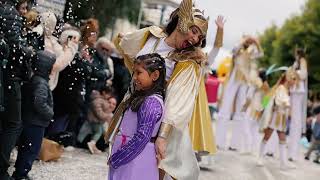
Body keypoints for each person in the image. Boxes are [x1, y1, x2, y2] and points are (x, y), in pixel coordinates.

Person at [107, 0, 223, 179]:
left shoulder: (188, 63)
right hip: (131, 109)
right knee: (120, 166)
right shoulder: (153, 35)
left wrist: (162, 137)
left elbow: (177, 101)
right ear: (182, 21)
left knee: (149, 170)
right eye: (194, 31)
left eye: (199, 37)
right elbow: (129, 51)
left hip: (157, 123)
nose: (195, 39)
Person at [108, 53, 166, 180]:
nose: (134, 77)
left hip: (137, 160)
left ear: (155, 75)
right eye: (134, 73)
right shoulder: (142, 97)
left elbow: (142, 136)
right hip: (130, 159)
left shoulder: (151, 102)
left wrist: (118, 158)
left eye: (139, 73)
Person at [0, 0, 33, 179]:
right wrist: (29, 51)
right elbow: (16, 49)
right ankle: (2, 169)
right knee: (13, 123)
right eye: (24, 7)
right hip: (10, 76)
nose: (25, 11)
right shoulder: (10, 13)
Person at [12, 50, 56, 180]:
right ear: (46, 67)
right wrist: (50, 113)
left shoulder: (34, 79)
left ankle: (20, 172)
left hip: (30, 120)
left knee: (25, 148)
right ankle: (21, 173)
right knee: (31, 149)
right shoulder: (41, 83)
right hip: (35, 122)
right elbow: (39, 102)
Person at [258, 68, 299, 170]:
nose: (295, 82)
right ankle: (260, 157)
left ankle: (283, 162)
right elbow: (279, 101)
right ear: (288, 79)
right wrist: (286, 104)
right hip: (275, 117)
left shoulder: (286, 90)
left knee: (283, 139)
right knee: (267, 136)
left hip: (281, 118)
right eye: (293, 79)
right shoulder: (281, 88)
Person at [77, 88, 115, 154]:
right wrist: (107, 116)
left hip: (98, 121)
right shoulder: (98, 100)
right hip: (95, 121)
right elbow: (99, 113)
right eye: (109, 102)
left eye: (114, 104)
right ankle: (92, 143)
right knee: (98, 132)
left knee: (101, 132)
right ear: (103, 93)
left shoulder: (101, 101)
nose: (110, 105)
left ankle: (94, 145)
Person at [288, 47, 308, 162]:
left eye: (296, 53)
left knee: (296, 122)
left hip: (298, 90)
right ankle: (291, 151)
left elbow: (303, 75)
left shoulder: (302, 61)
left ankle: (293, 152)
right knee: (294, 123)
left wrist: (294, 72)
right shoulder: (297, 62)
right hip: (294, 90)